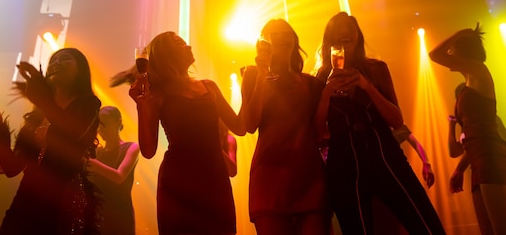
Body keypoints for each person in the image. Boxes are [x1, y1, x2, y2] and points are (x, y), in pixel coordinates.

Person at [314, 12, 446, 235]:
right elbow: (317, 133)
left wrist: (366, 86)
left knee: (424, 222)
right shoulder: (319, 80)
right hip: (344, 160)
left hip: (383, 152)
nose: (345, 39)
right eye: (339, 36)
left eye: (350, 33)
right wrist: (327, 91)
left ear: (358, 37)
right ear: (329, 43)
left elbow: (397, 120)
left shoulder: (376, 69)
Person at [115, 31, 245, 235]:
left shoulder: (209, 87)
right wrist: (142, 106)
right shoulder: (158, 95)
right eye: (181, 45)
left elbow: (240, 126)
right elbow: (148, 150)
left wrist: (250, 87)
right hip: (178, 181)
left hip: (214, 178)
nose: (189, 47)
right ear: (168, 55)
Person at [0, 48, 102, 235]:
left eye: (65, 59)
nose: (57, 63)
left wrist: (42, 97)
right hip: (27, 198)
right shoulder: (38, 115)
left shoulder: (89, 105)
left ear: (81, 70)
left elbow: (69, 135)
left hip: (63, 199)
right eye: (53, 60)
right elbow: (12, 167)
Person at [241, 18, 331, 235]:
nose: (280, 38)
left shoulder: (310, 83)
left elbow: (322, 130)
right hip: (270, 176)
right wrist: (263, 75)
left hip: (309, 175)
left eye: (285, 33)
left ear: (294, 39)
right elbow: (249, 124)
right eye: (273, 35)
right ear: (264, 43)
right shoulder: (253, 75)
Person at [429, 24, 506, 235]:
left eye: (454, 48)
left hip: (490, 155)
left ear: (464, 51)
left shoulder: (479, 70)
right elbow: (472, 136)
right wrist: (460, 168)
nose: (450, 52)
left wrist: (460, 33)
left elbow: (435, 54)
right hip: (479, 156)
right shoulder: (468, 83)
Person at [449, 83, 506, 235]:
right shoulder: (468, 129)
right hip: (483, 178)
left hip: (503, 175)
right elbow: (454, 151)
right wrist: (451, 126)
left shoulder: (492, 120)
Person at [87, 106, 140, 235]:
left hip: (120, 216)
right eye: (99, 125)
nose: (101, 129)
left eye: (105, 124)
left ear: (119, 122)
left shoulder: (131, 148)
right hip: (98, 214)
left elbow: (119, 177)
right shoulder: (96, 152)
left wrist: (90, 162)